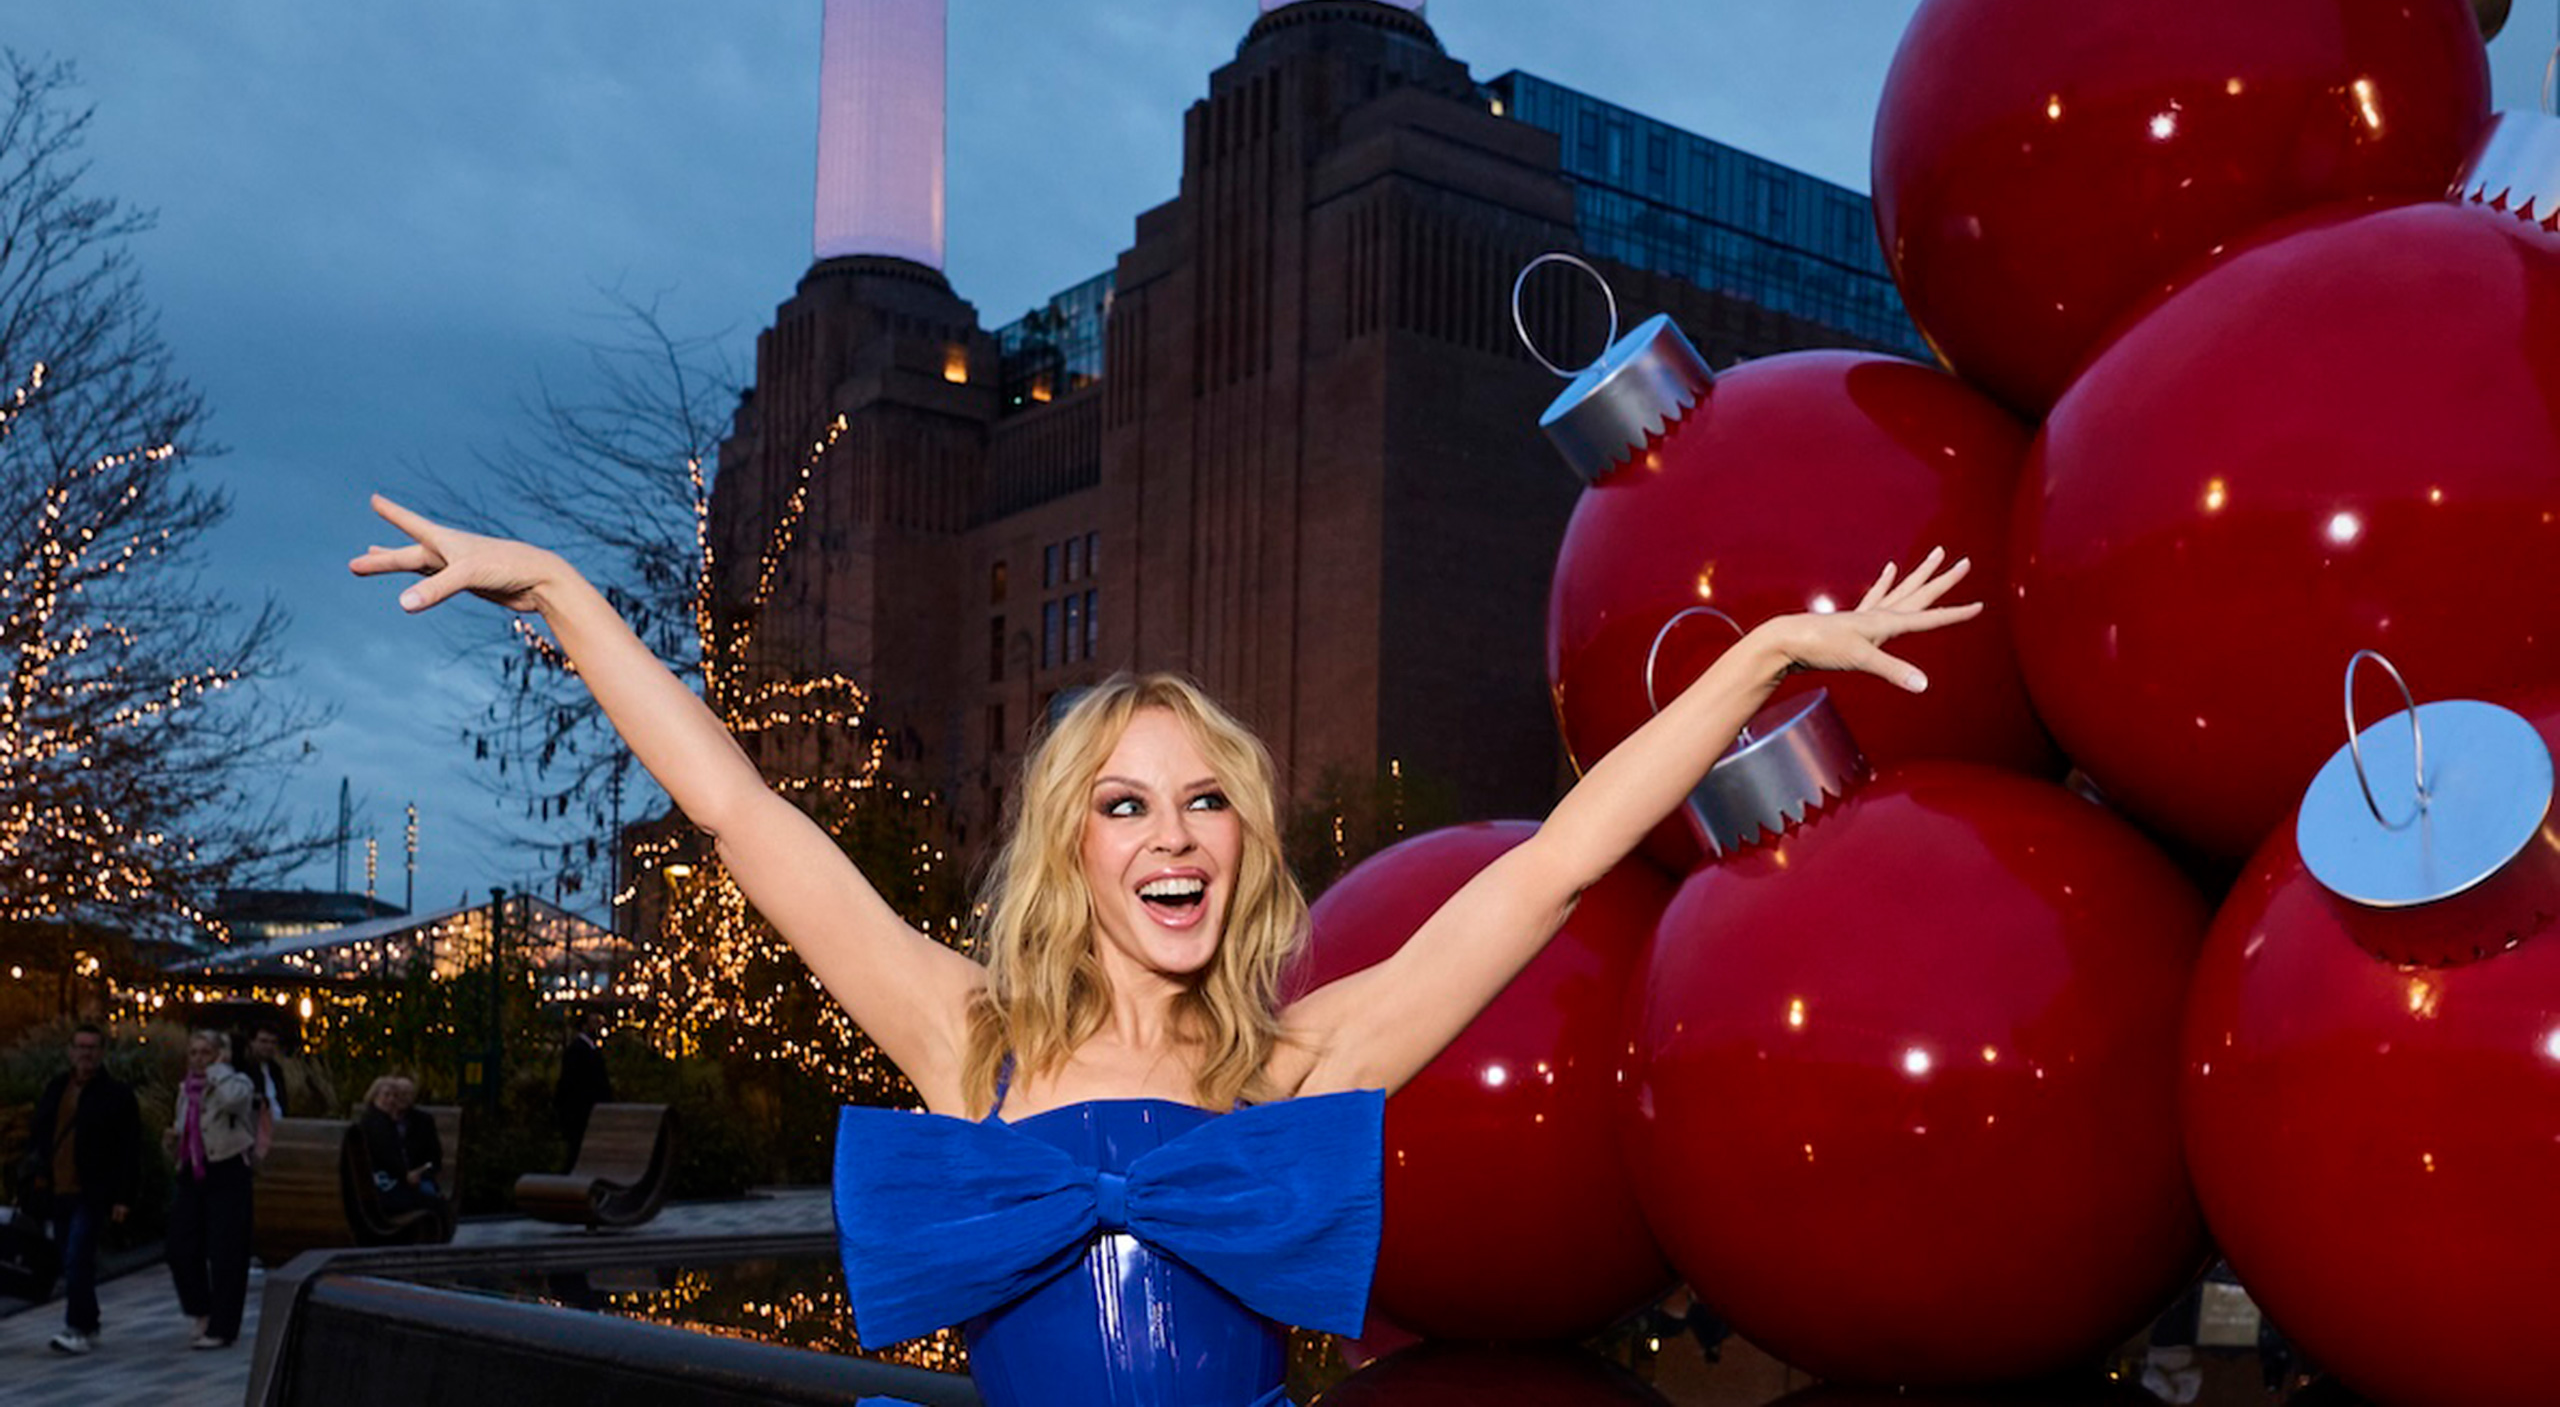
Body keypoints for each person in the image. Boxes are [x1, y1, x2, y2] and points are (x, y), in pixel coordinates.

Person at [354, 496, 1976, 1406]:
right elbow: (738, 808)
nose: (1173, 835)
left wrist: (1759, 652)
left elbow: (1557, 864)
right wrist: (561, 590)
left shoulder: (1300, 1060)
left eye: (1206, 802)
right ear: (1076, 845)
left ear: (1246, 841)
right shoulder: (961, 1032)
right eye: (1126, 805)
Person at [28, 1023, 140, 1356]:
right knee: (71, 1258)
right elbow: (40, 1133)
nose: (85, 1053)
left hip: (92, 1190)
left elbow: (129, 1148)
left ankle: (76, 1325)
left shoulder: (116, 1095)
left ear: (102, 1052)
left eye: (92, 1047)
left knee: (77, 1256)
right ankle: (88, 1320)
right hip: (57, 1187)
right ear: (71, 1051)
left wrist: (123, 1195)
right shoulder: (57, 1088)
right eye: (80, 1046)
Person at [164, 1026, 256, 1350]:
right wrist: (174, 1142)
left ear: (219, 1054)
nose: (198, 1060)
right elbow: (185, 1126)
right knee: (180, 1246)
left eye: (205, 1052)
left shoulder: (234, 1082)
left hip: (227, 1169)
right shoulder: (186, 1089)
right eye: (194, 1053)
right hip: (192, 1169)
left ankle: (223, 1326)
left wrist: (220, 1068)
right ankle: (200, 1308)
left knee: (226, 1252)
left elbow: (234, 1102)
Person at [358, 1075, 446, 1224]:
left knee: (429, 1196)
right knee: (433, 1204)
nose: (392, 1100)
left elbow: (434, 1157)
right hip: (386, 1184)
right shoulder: (377, 1124)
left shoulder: (415, 1121)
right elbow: (385, 1157)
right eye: (386, 1095)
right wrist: (405, 1175)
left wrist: (421, 1172)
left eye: (395, 1095)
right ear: (374, 1097)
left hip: (411, 1177)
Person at [554, 1010, 613, 1170]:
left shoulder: (585, 1049)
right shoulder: (579, 1051)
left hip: (586, 1112)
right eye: (594, 1021)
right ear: (585, 1025)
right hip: (582, 1112)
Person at [240, 1024, 288, 1171]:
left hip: (278, 1128)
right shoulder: (244, 1070)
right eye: (263, 1041)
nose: (268, 1047)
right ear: (252, 1042)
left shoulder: (275, 1070)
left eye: (272, 1042)